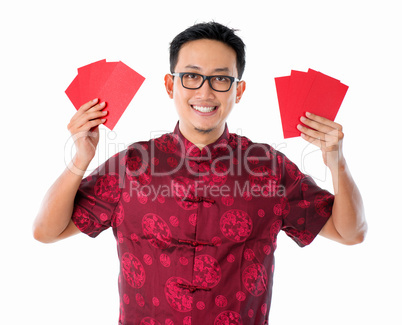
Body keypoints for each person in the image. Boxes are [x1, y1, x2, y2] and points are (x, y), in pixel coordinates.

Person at [33, 22, 367, 325]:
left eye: (221, 78)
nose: (205, 93)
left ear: (238, 90)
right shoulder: (129, 166)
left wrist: (336, 161)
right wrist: (81, 158)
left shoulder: (270, 169)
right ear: (170, 84)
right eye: (191, 76)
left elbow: (350, 232)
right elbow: (47, 231)